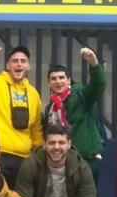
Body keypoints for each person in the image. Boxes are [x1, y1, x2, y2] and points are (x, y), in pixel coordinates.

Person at [0, 45, 43, 190]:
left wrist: (39, 155)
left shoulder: (33, 93)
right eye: (15, 61)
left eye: (23, 61)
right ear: (7, 65)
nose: (19, 64)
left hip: (25, 158)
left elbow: (36, 128)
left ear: (28, 66)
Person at [43, 48, 106, 185]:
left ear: (69, 80)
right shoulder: (50, 108)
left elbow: (99, 83)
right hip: (60, 163)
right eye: (53, 78)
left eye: (61, 78)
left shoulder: (82, 96)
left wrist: (94, 63)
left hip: (86, 161)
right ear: (49, 83)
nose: (58, 81)